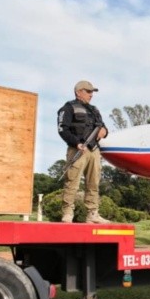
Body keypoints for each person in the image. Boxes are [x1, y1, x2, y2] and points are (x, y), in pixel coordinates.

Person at [57, 80, 110, 224]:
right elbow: (62, 129)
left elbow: (104, 128)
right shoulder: (68, 108)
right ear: (78, 92)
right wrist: (76, 143)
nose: (91, 94)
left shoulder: (95, 110)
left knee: (93, 183)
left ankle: (92, 213)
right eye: (88, 91)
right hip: (77, 149)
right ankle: (67, 213)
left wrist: (104, 132)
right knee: (72, 181)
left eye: (92, 92)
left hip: (94, 151)